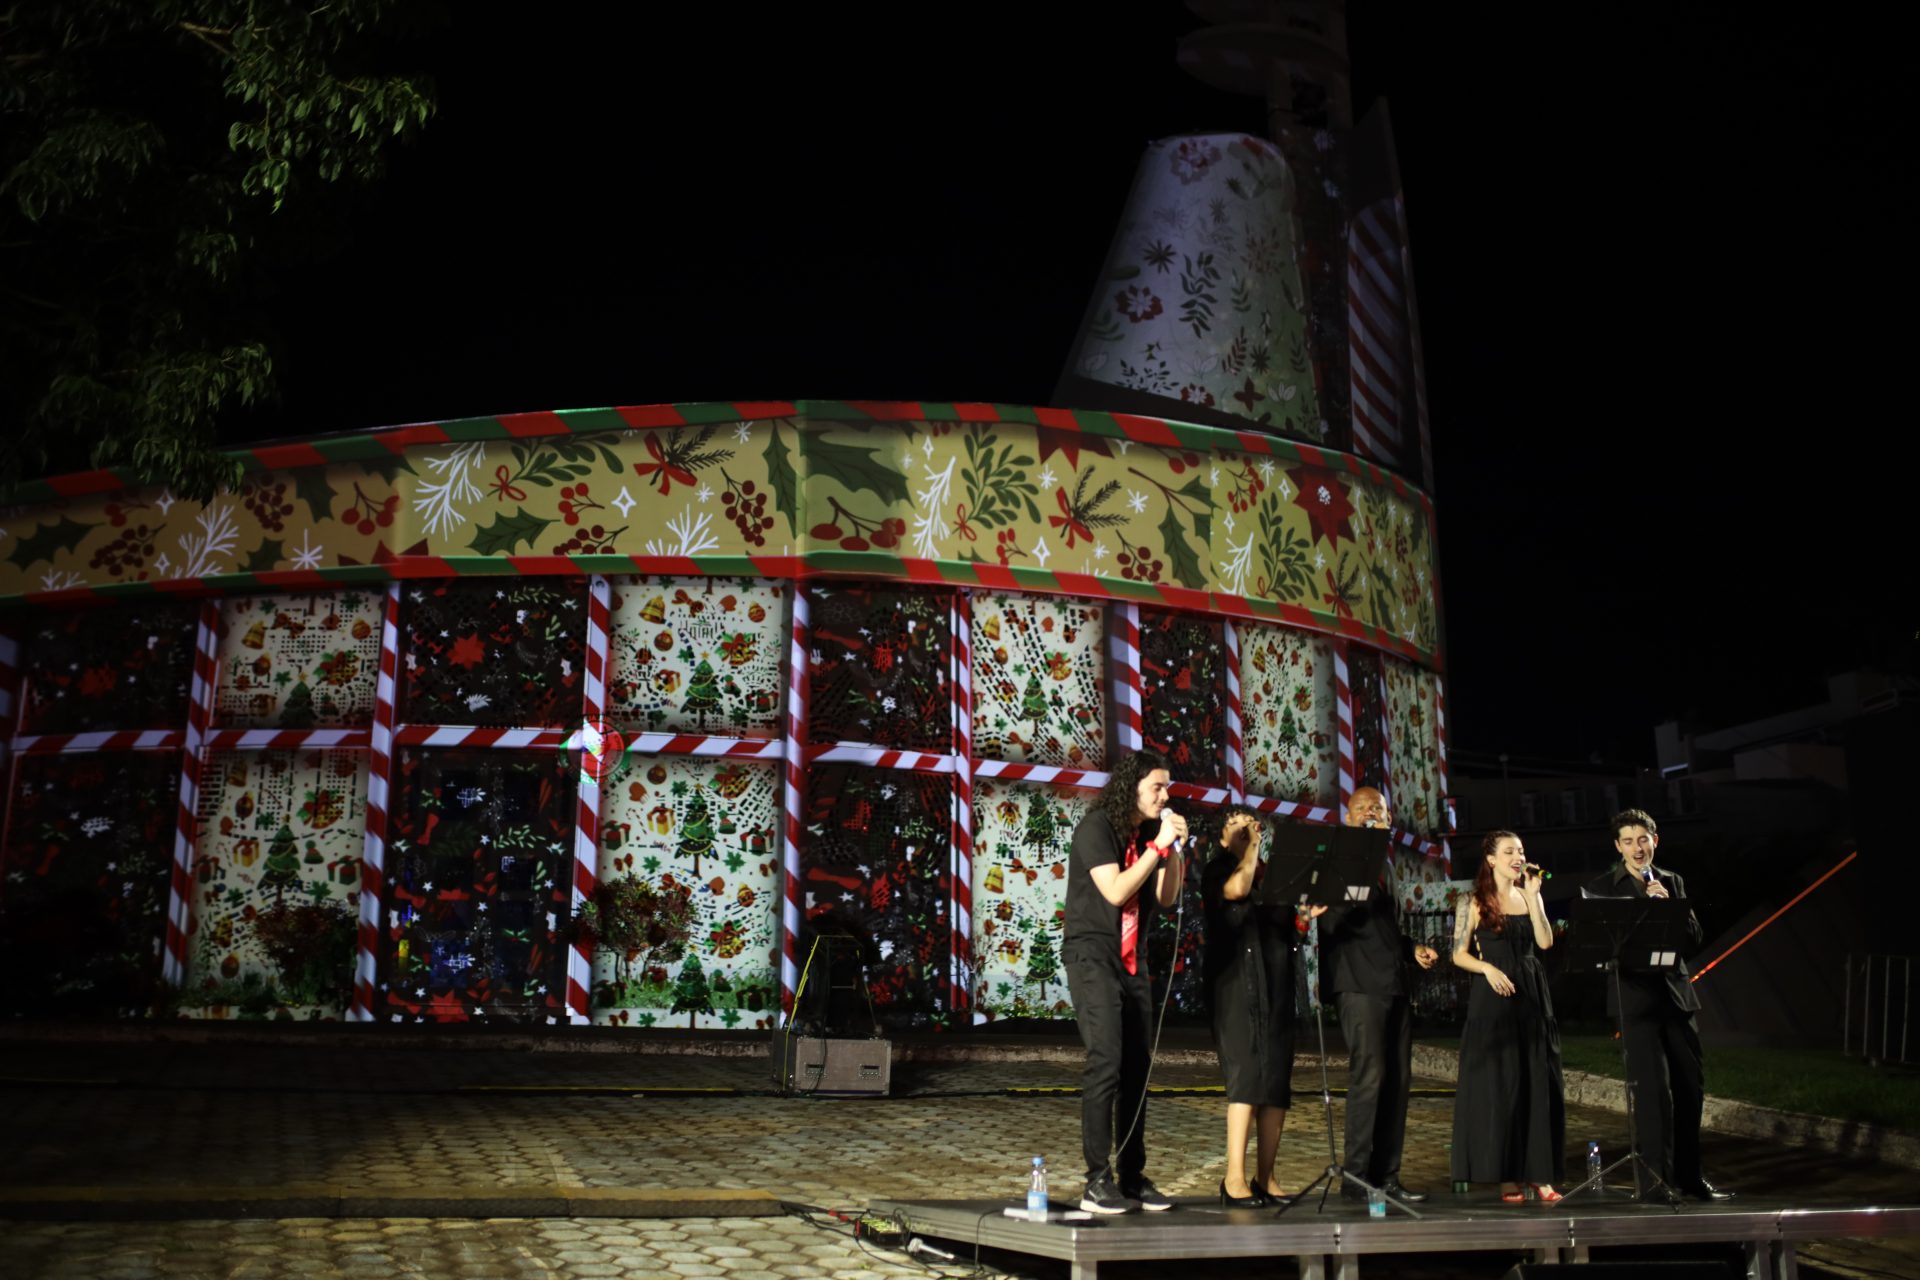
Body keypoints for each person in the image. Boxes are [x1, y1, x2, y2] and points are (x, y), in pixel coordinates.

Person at [1061, 747, 1189, 1214]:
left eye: (1167, 786)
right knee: (1107, 1062)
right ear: (1130, 788)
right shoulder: (1097, 829)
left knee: (1138, 1068)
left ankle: (1133, 1177)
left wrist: (1172, 851)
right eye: (1156, 786)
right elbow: (1115, 890)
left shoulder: (1150, 834)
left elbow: (1168, 897)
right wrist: (1156, 849)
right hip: (1092, 955)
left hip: (1133, 961)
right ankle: (1096, 1180)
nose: (1164, 794)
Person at [1583, 809, 1732, 1202]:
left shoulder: (1671, 881)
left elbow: (1694, 936)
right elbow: (1604, 950)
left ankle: (1690, 1177)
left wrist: (1667, 906)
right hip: (1635, 1000)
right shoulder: (1603, 888)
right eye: (1628, 841)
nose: (1637, 848)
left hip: (1676, 997)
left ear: (1655, 840)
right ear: (1618, 847)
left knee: (1689, 1088)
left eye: (1643, 839)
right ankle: (1654, 1182)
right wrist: (1644, 913)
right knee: (1652, 1094)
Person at [1317, 785, 1438, 1202]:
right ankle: (1355, 1178)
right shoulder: (1338, 855)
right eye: (1364, 808)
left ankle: (1387, 1176)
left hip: (1392, 982)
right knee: (1369, 1077)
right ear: (1349, 817)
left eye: (1380, 809)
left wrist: (1410, 949)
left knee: (1398, 1081)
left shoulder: (1385, 863)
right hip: (1357, 982)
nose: (1372, 812)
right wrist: (1369, 853)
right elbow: (1335, 918)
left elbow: (1381, 927)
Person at [1448, 830, 1565, 1202]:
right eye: (1510, 851)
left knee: (1536, 1080)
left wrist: (1534, 899)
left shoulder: (1530, 894)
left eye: (1521, 850)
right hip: (1494, 994)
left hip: (1531, 993)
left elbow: (1545, 942)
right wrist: (1486, 969)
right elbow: (1458, 953)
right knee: (1503, 1084)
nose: (1518, 856)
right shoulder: (1473, 901)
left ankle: (1540, 1174)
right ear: (1491, 859)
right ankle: (1507, 1177)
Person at [1201, 806, 1306, 1207]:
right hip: (1235, 987)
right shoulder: (1218, 870)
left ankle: (1267, 1176)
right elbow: (1237, 891)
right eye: (1234, 824)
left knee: (1276, 1079)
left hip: (1276, 983)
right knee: (1246, 1075)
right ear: (1222, 837)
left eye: (1251, 823)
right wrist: (1251, 847)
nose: (1244, 828)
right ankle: (1233, 1180)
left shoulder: (1275, 876)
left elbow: (1289, 921)